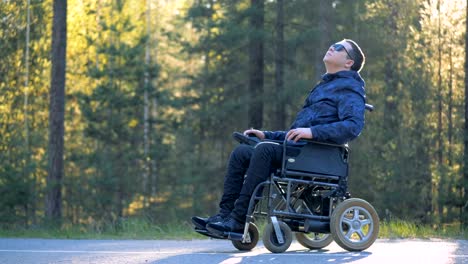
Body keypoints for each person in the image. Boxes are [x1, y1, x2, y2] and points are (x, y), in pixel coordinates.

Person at [192, 39, 366, 236]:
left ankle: (238, 220)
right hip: (302, 150)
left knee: (264, 150)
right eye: (333, 45)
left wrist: (312, 132)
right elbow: (297, 133)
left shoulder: (350, 88)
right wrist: (266, 134)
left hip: (319, 155)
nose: (332, 47)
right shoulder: (323, 87)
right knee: (242, 152)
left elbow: (353, 126)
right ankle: (225, 216)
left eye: (339, 48)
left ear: (348, 62)